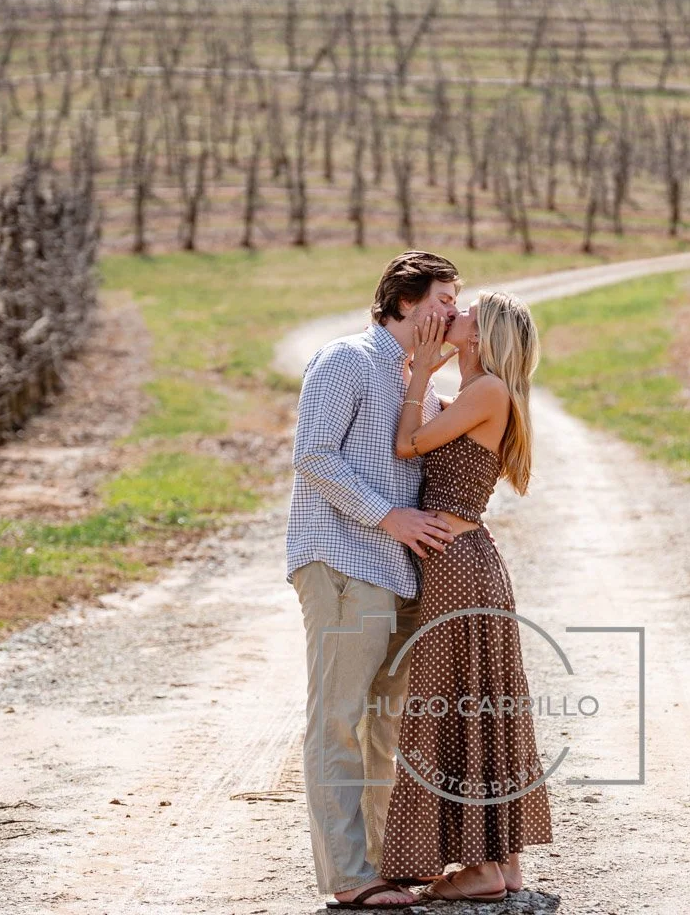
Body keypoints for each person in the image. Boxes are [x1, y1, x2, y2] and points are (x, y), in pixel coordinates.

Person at [287, 251, 462, 911]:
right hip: (340, 562)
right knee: (337, 722)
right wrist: (389, 516)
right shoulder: (346, 361)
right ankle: (349, 878)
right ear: (405, 303)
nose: (453, 313)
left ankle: (384, 869)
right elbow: (313, 456)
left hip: (397, 575)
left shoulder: (412, 378)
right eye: (445, 300)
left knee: (383, 727)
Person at [378, 290, 554, 902]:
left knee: (453, 704)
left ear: (482, 338)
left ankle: (480, 871)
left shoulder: (488, 393)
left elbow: (408, 446)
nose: (453, 316)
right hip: (467, 562)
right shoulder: (480, 393)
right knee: (477, 705)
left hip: (458, 566)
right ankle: (500, 865)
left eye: (467, 314)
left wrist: (419, 373)